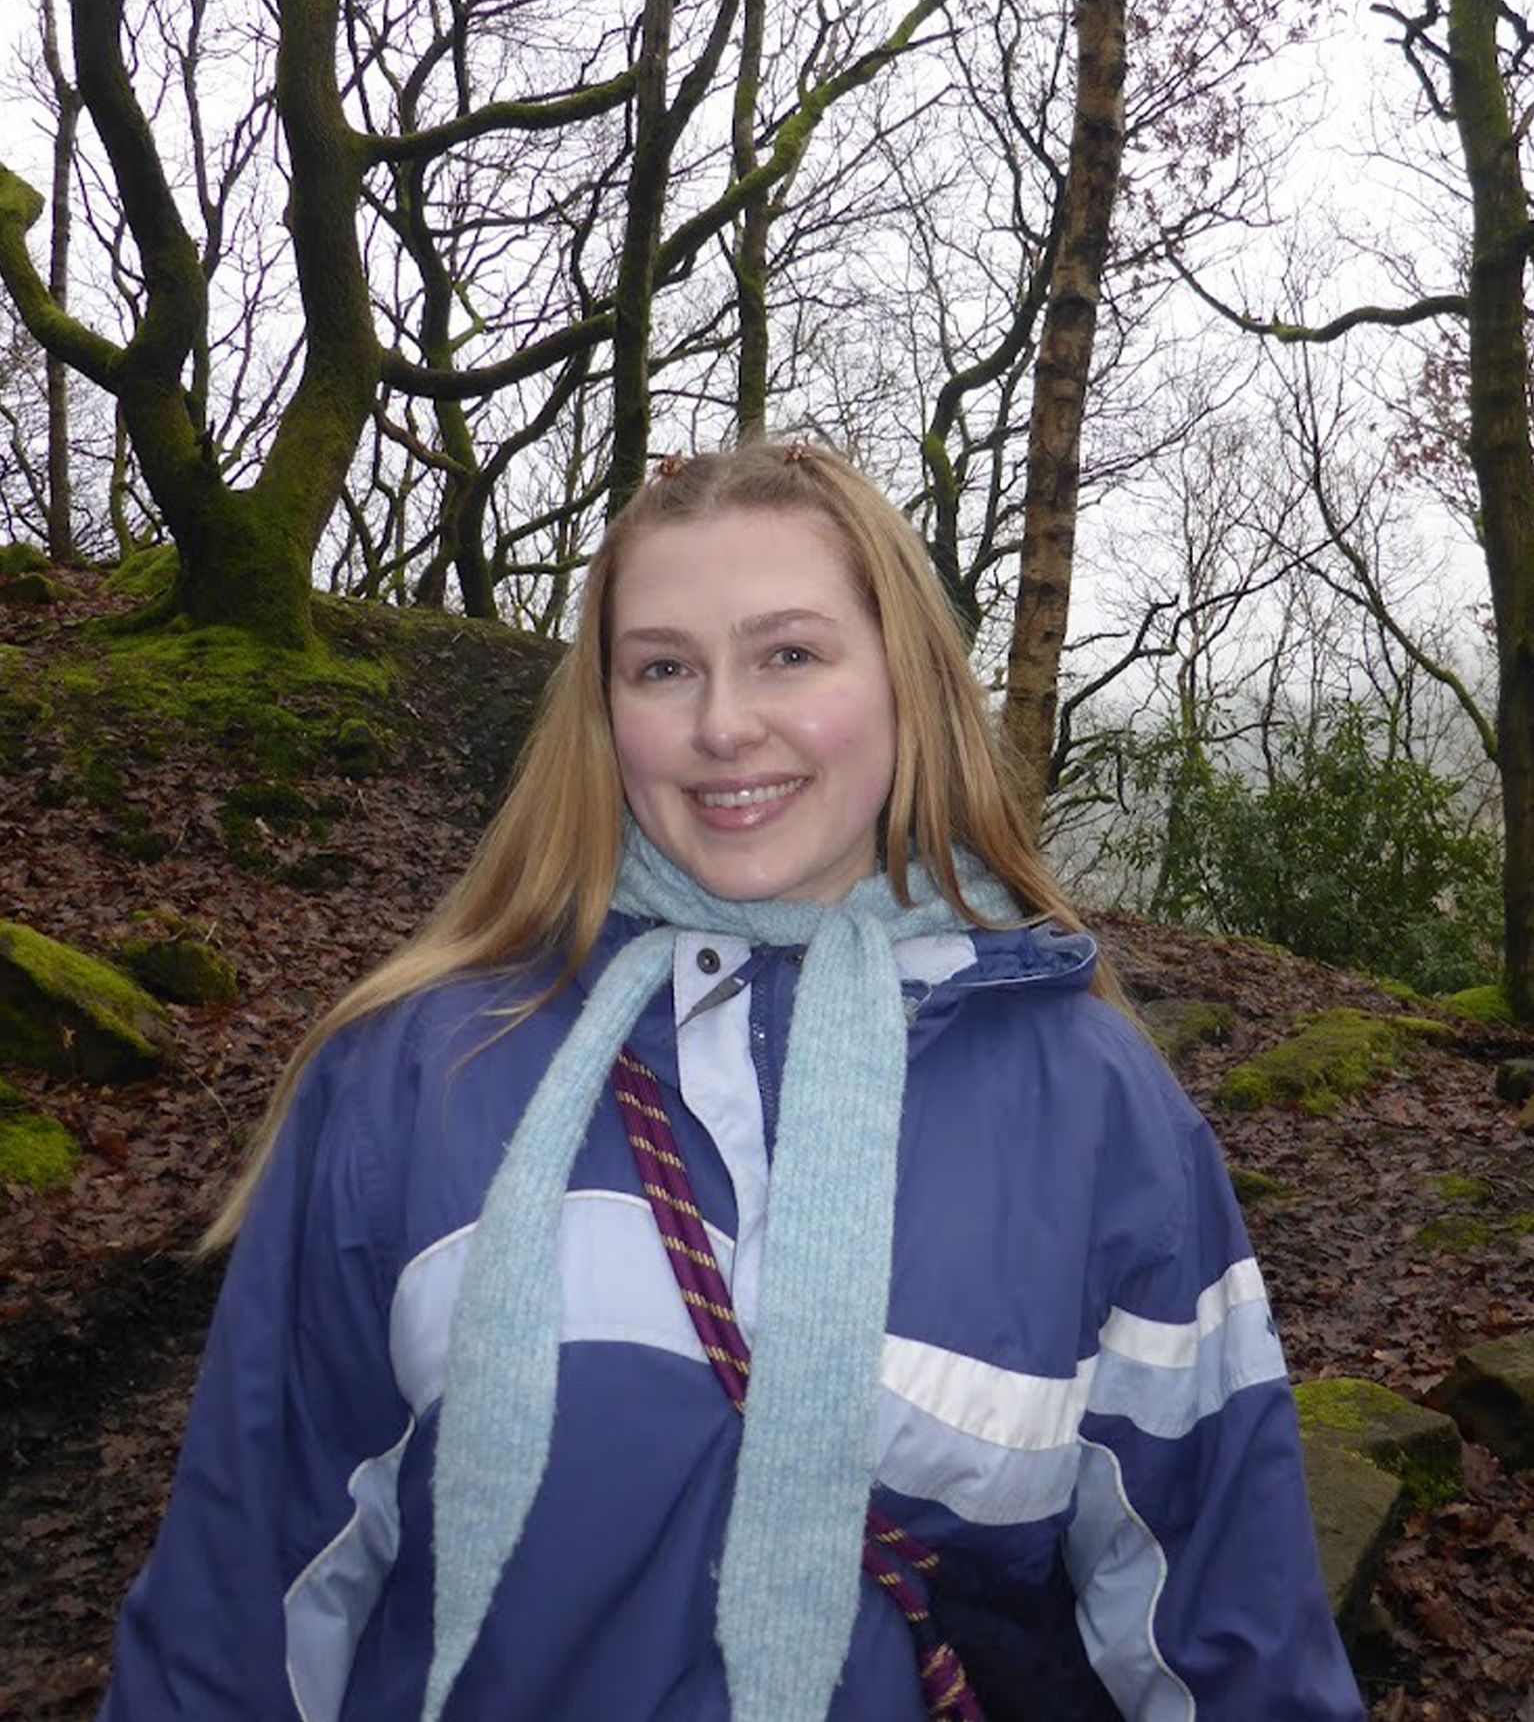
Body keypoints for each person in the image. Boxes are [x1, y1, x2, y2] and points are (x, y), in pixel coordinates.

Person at [98, 441, 1365, 1722]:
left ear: (904, 682)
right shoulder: (415, 1076)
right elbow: (241, 1605)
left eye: (789, 654)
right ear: (604, 712)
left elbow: (1222, 1628)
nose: (719, 723)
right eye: (662, 667)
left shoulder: (1097, 1108)